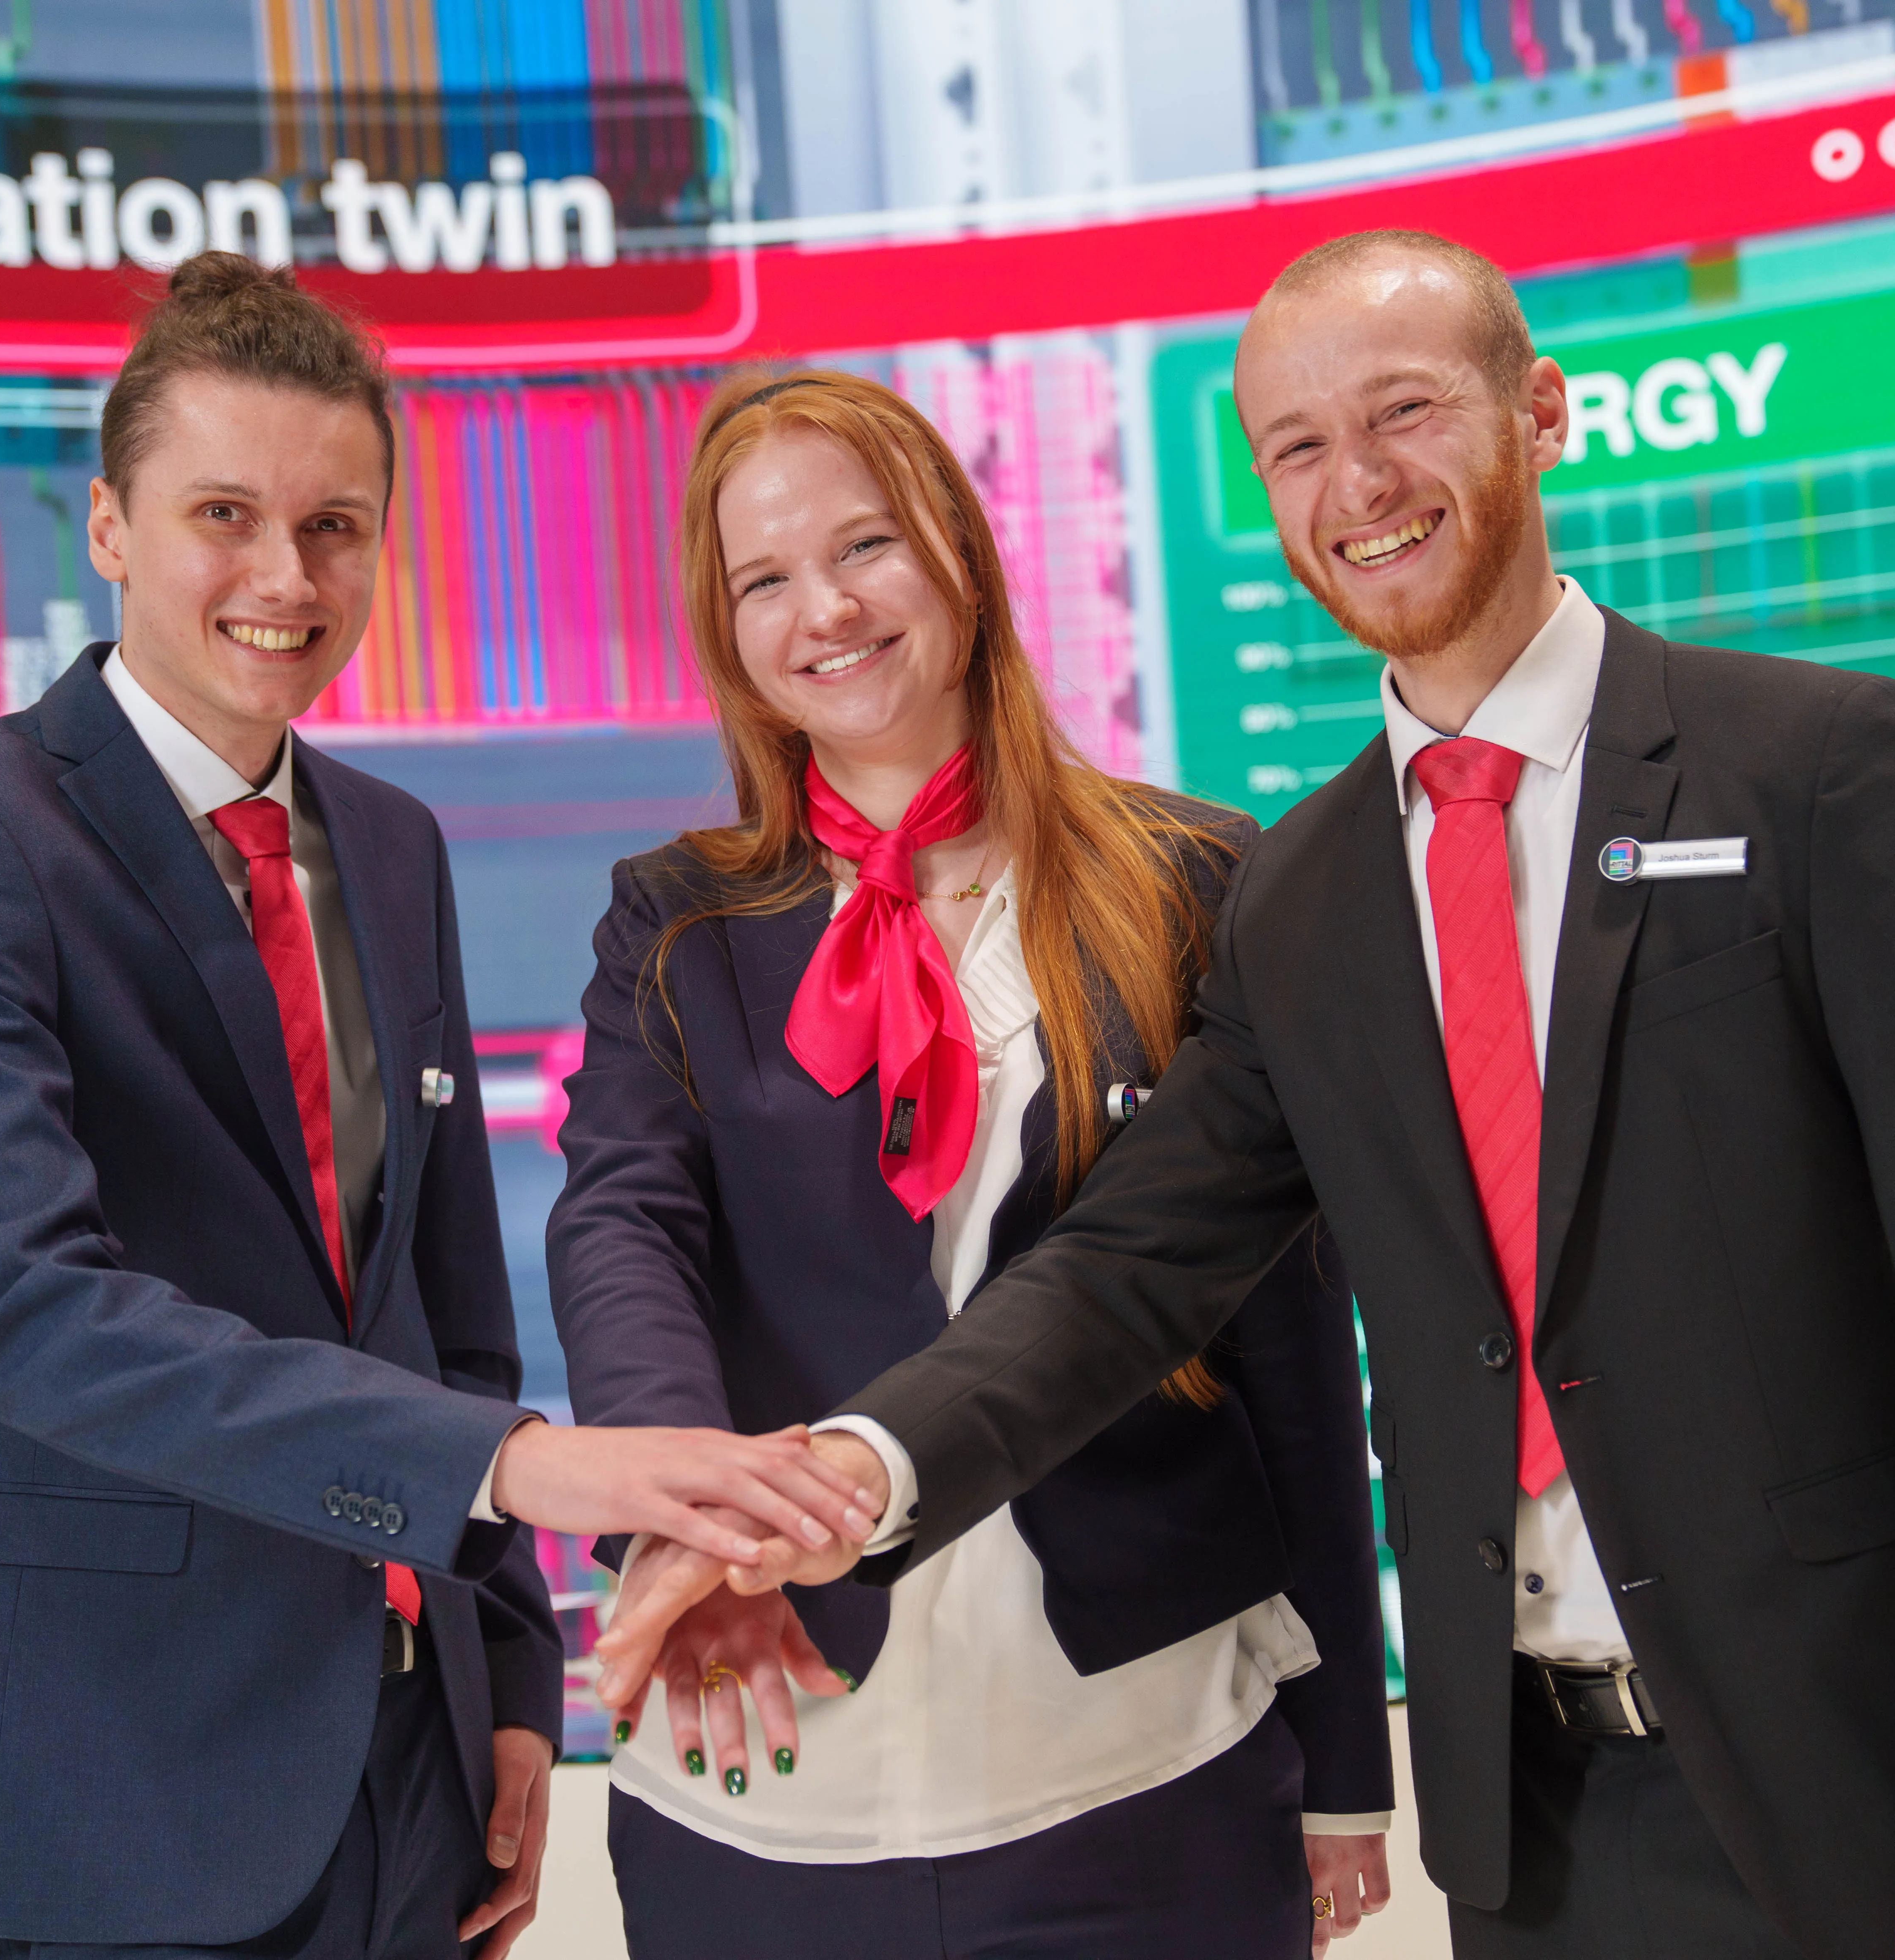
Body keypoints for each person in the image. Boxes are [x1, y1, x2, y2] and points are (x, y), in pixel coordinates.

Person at [602, 233, 1895, 1960]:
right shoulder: (1308, 892)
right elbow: (1130, 1270)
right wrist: (846, 1480)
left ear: (1538, 413)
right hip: (1537, 1829)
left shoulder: (1820, 769)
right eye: (1298, 448)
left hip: (1868, 1793)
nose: (1361, 486)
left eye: (1402, 412)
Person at [0, 254, 874, 1960]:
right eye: (222, 514)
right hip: (131, 1788)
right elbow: (31, 1317)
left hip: (419, 1756)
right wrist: (519, 1468)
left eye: (335, 526)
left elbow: (446, 1307)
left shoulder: (389, 848)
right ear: (105, 526)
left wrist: (517, 1679)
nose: (283, 575)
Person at [548, 368, 1396, 1958]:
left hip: (1140, 1767)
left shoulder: (1196, 880)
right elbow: (623, 1228)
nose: (826, 609)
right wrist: (689, 1519)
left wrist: (1347, 1762)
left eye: (864, 545)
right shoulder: (673, 920)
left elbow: (1286, 1341)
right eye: (764, 579)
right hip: (771, 1774)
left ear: (958, 548)